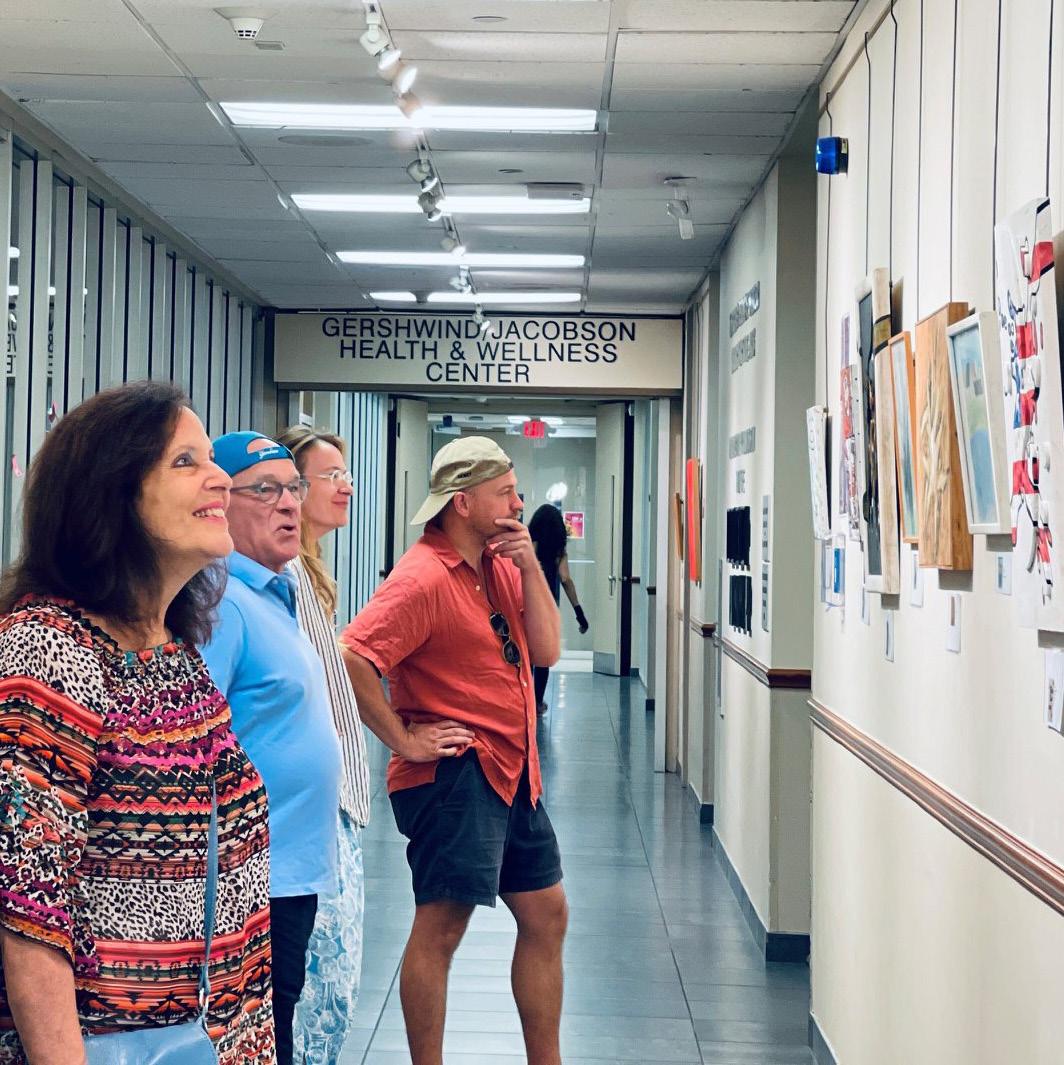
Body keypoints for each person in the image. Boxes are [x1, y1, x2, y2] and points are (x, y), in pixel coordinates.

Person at [0, 382, 274, 1065]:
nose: (219, 478)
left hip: (211, 1036)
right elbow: (28, 908)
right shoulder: (51, 649)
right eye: (186, 461)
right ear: (112, 494)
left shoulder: (170, 651)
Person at [341, 436, 568, 1065]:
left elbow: (547, 650)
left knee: (547, 914)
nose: (518, 504)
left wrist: (531, 567)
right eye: (505, 493)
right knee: (442, 926)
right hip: (456, 778)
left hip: (514, 769)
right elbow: (354, 656)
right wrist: (403, 738)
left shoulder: (500, 563)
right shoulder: (421, 577)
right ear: (462, 503)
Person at [199, 431, 342, 1065]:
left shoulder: (273, 593)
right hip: (250, 877)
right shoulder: (221, 605)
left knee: (276, 1016)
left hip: (288, 868)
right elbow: (193, 751)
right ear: (219, 503)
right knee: (254, 1032)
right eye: (265, 490)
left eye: (293, 488)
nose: (288, 504)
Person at [276, 426, 371, 1065]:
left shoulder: (309, 574)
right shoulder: (281, 576)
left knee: (333, 980)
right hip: (311, 814)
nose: (346, 487)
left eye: (346, 474)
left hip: (332, 806)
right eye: (331, 476)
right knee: (317, 987)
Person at [527, 503, 589, 714]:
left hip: (525, 604)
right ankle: (537, 702)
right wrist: (579, 613)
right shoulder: (558, 551)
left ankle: (524, 703)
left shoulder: (528, 546)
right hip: (547, 606)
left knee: (526, 655)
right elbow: (566, 579)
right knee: (542, 656)